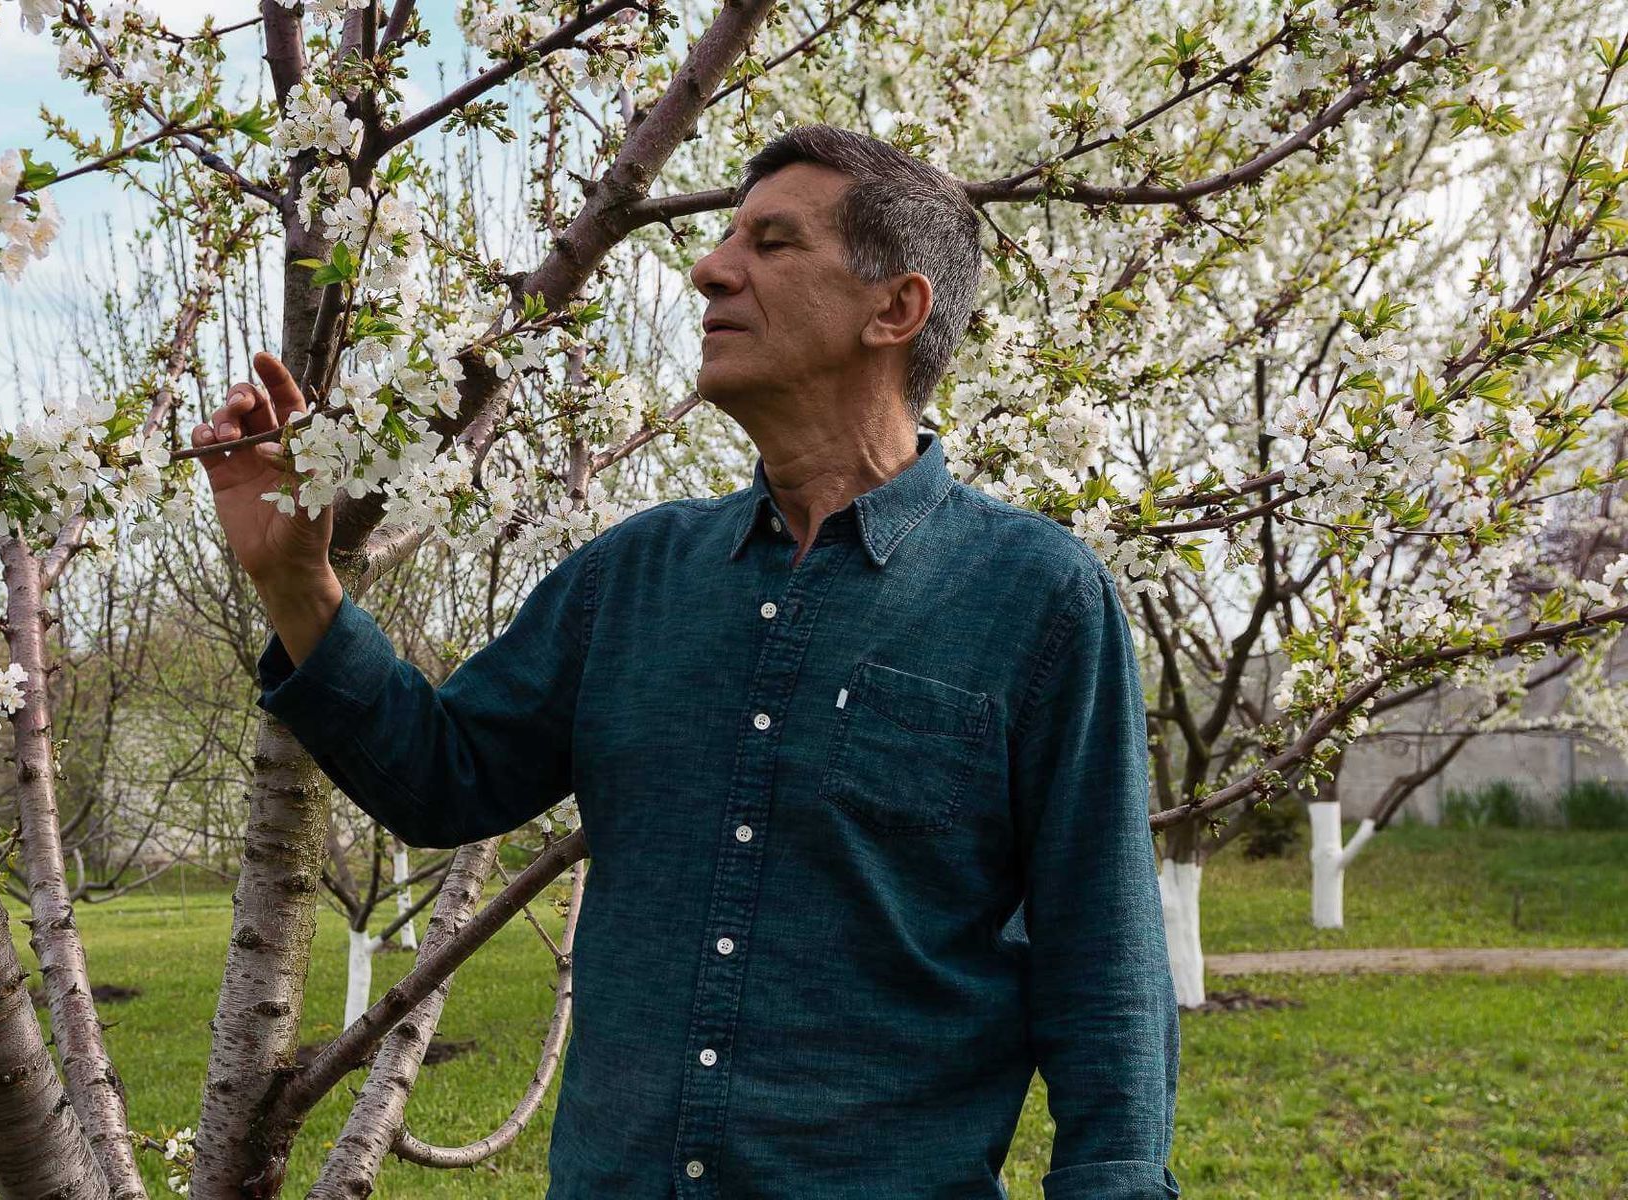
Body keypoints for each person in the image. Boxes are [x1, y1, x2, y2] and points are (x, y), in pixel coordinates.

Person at [193, 123, 1179, 1199]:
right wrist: (301, 584)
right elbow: (441, 778)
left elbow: (1104, 969)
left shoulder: (1032, 598)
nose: (709, 268)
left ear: (893, 309)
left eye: (772, 241)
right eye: (722, 242)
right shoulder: (632, 576)